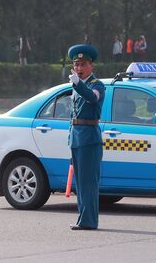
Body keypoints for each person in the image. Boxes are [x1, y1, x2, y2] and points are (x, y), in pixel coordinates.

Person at [67, 44, 105, 231]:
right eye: (76, 65)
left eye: (83, 65)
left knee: (89, 183)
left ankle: (89, 220)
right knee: (80, 184)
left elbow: (92, 98)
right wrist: (70, 140)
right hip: (77, 138)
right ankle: (83, 218)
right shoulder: (77, 86)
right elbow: (73, 116)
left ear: (91, 65)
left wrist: (78, 85)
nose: (79, 69)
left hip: (89, 139)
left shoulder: (96, 85)